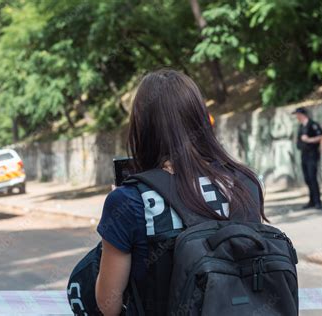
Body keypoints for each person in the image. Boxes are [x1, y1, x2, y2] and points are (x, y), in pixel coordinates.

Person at [95, 69, 266, 316]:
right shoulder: (246, 183)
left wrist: (115, 222)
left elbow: (108, 304)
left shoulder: (129, 200)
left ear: (142, 128)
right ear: (199, 119)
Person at [293, 107, 322, 209]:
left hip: (312, 155)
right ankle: (312, 201)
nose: (296, 116)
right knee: (307, 179)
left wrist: (309, 140)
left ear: (302, 114)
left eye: (297, 114)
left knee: (313, 178)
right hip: (304, 156)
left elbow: (320, 137)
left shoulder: (313, 124)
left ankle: (318, 201)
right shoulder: (301, 126)